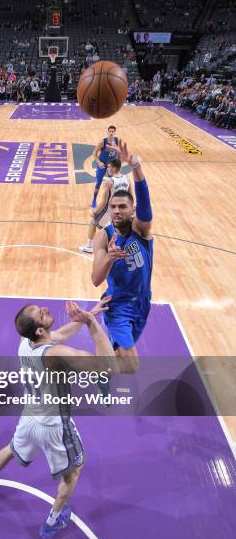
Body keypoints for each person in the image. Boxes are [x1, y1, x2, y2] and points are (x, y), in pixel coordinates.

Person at [0, 298, 115, 539]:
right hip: (54, 426)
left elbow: (61, 335)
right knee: (74, 472)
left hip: (29, 417)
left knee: (11, 449)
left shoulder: (26, 342)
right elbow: (107, 366)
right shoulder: (55, 355)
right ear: (40, 330)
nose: (45, 309)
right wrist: (92, 323)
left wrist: (85, 316)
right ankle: (53, 520)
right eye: (40, 314)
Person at [92, 140, 153, 373]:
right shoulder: (102, 236)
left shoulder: (141, 230)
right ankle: (93, 330)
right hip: (118, 305)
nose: (117, 211)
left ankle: (104, 367)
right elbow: (96, 280)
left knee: (120, 359)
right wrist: (109, 257)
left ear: (132, 210)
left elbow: (146, 207)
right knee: (132, 365)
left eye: (122, 207)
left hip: (143, 300)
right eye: (113, 206)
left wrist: (135, 166)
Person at [79, 157, 133, 254]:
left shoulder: (109, 181)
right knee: (117, 228)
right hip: (122, 210)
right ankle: (120, 245)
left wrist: (95, 211)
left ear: (114, 168)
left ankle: (90, 246)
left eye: (108, 167)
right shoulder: (127, 179)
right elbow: (131, 197)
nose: (107, 169)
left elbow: (104, 202)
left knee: (94, 223)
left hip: (109, 209)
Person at [91, 125, 119, 208]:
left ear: (115, 132)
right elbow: (94, 153)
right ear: (107, 132)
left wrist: (118, 164)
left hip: (112, 166)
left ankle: (110, 201)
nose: (111, 133)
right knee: (98, 183)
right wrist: (99, 162)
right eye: (110, 131)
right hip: (102, 165)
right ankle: (94, 199)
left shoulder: (117, 141)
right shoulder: (102, 142)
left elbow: (118, 152)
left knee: (112, 184)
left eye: (112, 131)